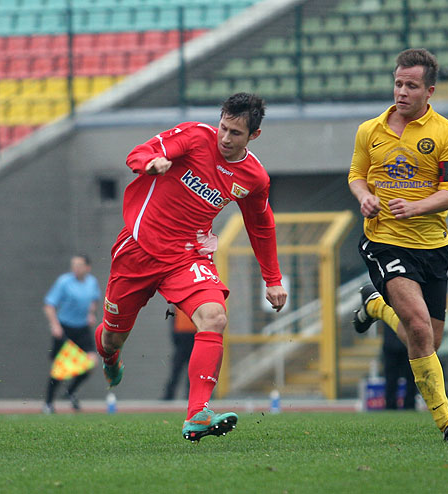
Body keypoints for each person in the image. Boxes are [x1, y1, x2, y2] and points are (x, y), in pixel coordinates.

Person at [94, 92, 287, 442]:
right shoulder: (195, 136)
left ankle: (198, 413)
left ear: (254, 135)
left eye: (236, 133)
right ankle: (110, 356)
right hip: (138, 248)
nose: (225, 138)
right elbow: (138, 153)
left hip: (187, 256)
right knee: (113, 336)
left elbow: (261, 225)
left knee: (214, 317)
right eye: (223, 127)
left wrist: (272, 279)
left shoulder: (254, 178)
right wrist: (150, 163)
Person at [348, 49, 448, 441]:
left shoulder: (447, 134)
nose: (402, 91)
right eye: (398, 83)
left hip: (432, 246)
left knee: (429, 339)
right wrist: (364, 196)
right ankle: (447, 423)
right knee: (418, 326)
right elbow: (356, 174)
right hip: (384, 241)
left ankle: (375, 306)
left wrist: (416, 207)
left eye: (411, 86)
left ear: (429, 91)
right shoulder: (370, 130)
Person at [42, 254, 101, 414]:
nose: (75, 268)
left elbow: (94, 300)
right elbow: (49, 305)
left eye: (79, 265)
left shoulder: (92, 282)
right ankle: (48, 403)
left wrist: (91, 314)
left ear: (87, 267)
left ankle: (70, 391)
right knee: (60, 368)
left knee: (92, 362)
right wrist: (55, 325)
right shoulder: (64, 282)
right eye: (73, 264)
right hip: (65, 329)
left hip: (82, 329)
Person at [162, 305, 196, 401]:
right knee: (176, 369)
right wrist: (176, 339)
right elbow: (173, 321)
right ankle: (169, 396)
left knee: (193, 370)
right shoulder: (177, 305)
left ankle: (190, 396)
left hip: (194, 338)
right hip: (182, 340)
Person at [381, 321, 417, 410]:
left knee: (409, 378)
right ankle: (394, 405)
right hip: (398, 346)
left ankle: (407, 404)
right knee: (392, 378)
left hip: (402, 345)